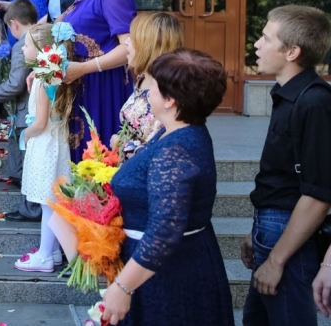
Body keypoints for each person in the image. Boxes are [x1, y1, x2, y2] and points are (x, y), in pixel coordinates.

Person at [100, 49, 233, 325]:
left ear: (171, 100)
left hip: (169, 277)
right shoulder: (175, 130)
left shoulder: (177, 150)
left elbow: (164, 231)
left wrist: (123, 287)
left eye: (155, 87)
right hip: (171, 266)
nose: (148, 92)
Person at [241, 5, 331, 326]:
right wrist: (254, 231)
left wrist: (277, 259)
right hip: (270, 226)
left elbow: (318, 193)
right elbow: (282, 176)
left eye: (266, 38)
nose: (256, 43)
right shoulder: (288, 94)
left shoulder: (316, 103)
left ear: (292, 52)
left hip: (288, 233)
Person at [55, 0, 136, 160]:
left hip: (103, 87)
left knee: (96, 156)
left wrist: (84, 68)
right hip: (80, 84)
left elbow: (128, 48)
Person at [14, 22, 77, 272]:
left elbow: (40, 122)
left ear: (43, 48)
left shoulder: (42, 78)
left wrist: (25, 136)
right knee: (52, 200)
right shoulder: (53, 73)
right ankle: (52, 251)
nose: (22, 49)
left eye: (27, 44)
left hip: (44, 144)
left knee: (47, 202)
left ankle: (44, 256)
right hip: (57, 142)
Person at [111, 12, 184, 161]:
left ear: (149, 45)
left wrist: (122, 146)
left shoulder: (167, 93)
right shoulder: (142, 78)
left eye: (133, 38)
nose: (126, 42)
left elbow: (165, 153)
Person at [0, 0, 39, 223]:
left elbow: (16, 84)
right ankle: (17, 178)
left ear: (13, 24)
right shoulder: (42, 36)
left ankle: (31, 209)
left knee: (30, 160)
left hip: (27, 111)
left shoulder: (22, 45)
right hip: (33, 109)